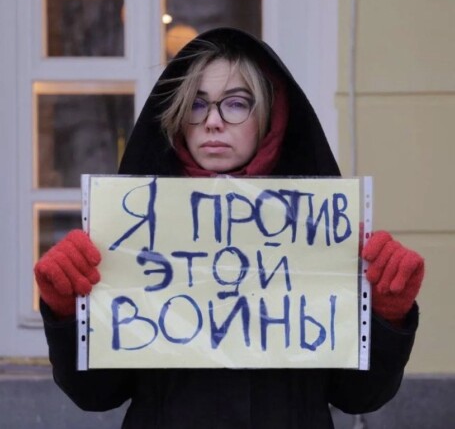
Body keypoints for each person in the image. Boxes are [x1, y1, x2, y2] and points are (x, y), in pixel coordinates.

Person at [35, 28, 424, 429]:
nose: (213, 122)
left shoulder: (317, 229)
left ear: (270, 116)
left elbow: (359, 395)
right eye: (196, 104)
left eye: (236, 104)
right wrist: (68, 313)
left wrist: (386, 316)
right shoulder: (132, 233)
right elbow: (95, 394)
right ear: (177, 116)